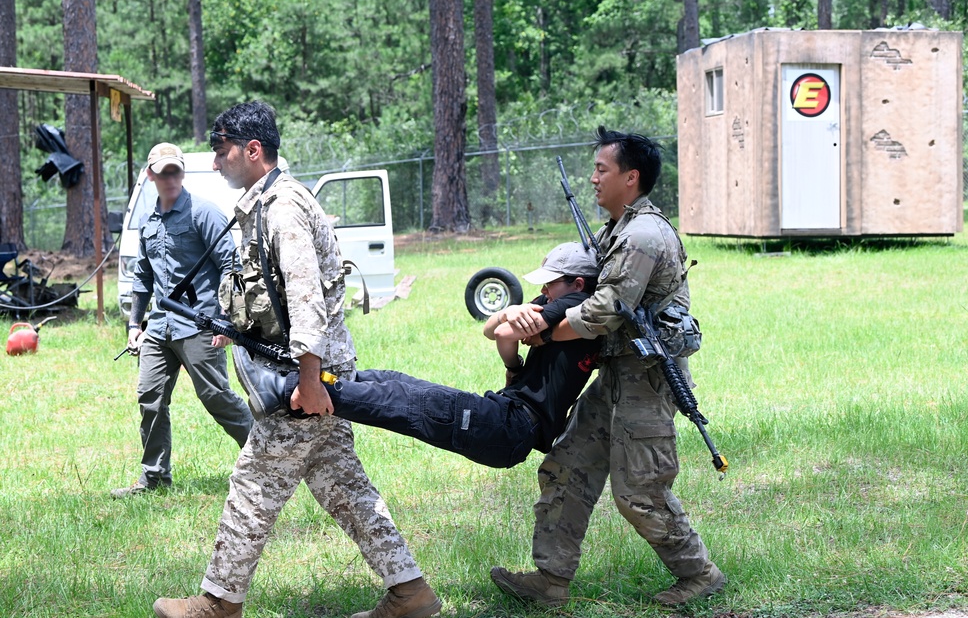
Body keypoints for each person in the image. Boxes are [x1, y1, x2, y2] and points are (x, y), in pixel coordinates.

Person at [153, 101, 439, 618]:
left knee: (253, 484)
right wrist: (237, 328)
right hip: (309, 374)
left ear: (253, 150)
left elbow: (305, 299)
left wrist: (311, 382)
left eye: (222, 151)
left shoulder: (283, 207)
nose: (215, 162)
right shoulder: (263, 204)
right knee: (345, 486)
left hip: (308, 379)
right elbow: (274, 295)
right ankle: (410, 593)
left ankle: (217, 604)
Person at [490, 127, 726, 607]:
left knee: (638, 490)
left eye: (603, 169)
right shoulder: (617, 231)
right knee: (566, 466)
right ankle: (550, 582)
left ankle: (700, 574)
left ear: (631, 177)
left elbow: (604, 313)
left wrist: (540, 331)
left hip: (648, 379)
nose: (593, 178)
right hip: (615, 375)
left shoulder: (643, 235)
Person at [241, 241, 602, 470]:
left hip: (513, 427)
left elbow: (505, 333)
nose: (543, 289)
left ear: (578, 284)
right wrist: (514, 349)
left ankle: (286, 390)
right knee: (391, 381)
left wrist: (511, 320)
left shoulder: (577, 303)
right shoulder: (555, 302)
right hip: (506, 418)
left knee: (406, 403)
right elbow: (492, 328)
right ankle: (314, 380)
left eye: (550, 282)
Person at [111, 143, 253, 499]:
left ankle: (268, 459)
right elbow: (142, 279)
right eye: (163, 172)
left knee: (216, 396)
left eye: (175, 171)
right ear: (151, 176)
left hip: (201, 324)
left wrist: (225, 321)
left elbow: (230, 267)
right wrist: (134, 326)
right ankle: (155, 478)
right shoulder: (149, 222)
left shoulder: (203, 213)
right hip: (159, 327)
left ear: (182, 173)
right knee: (150, 398)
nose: (169, 178)